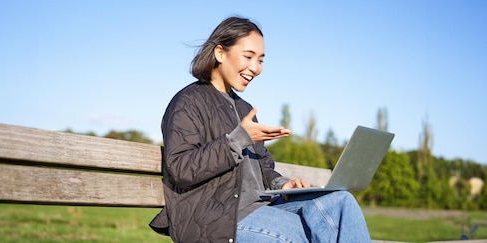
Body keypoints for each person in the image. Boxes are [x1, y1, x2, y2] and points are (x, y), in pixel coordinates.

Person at [149, 16, 371, 243]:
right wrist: (237, 140)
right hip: (216, 217)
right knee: (302, 234)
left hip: (262, 206)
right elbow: (180, 168)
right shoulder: (187, 102)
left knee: (340, 201)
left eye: (261, 60)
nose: (256, 68)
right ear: (219, 53)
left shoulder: (243, 108)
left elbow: (263, 167)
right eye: (248, 57)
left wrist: (282, 184)